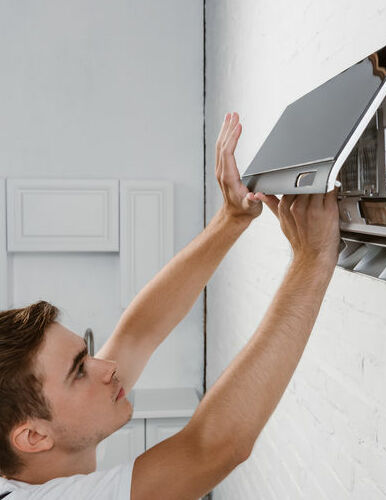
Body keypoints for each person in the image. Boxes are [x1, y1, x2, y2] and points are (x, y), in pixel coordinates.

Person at [0, 112, 340, 499]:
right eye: (79, 371)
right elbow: (212, 448)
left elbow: (138, 333)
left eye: (87, 356)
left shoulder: (46, 455)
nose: (108, 368)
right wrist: (311, 260)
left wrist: (231, 217)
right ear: (32, 436)